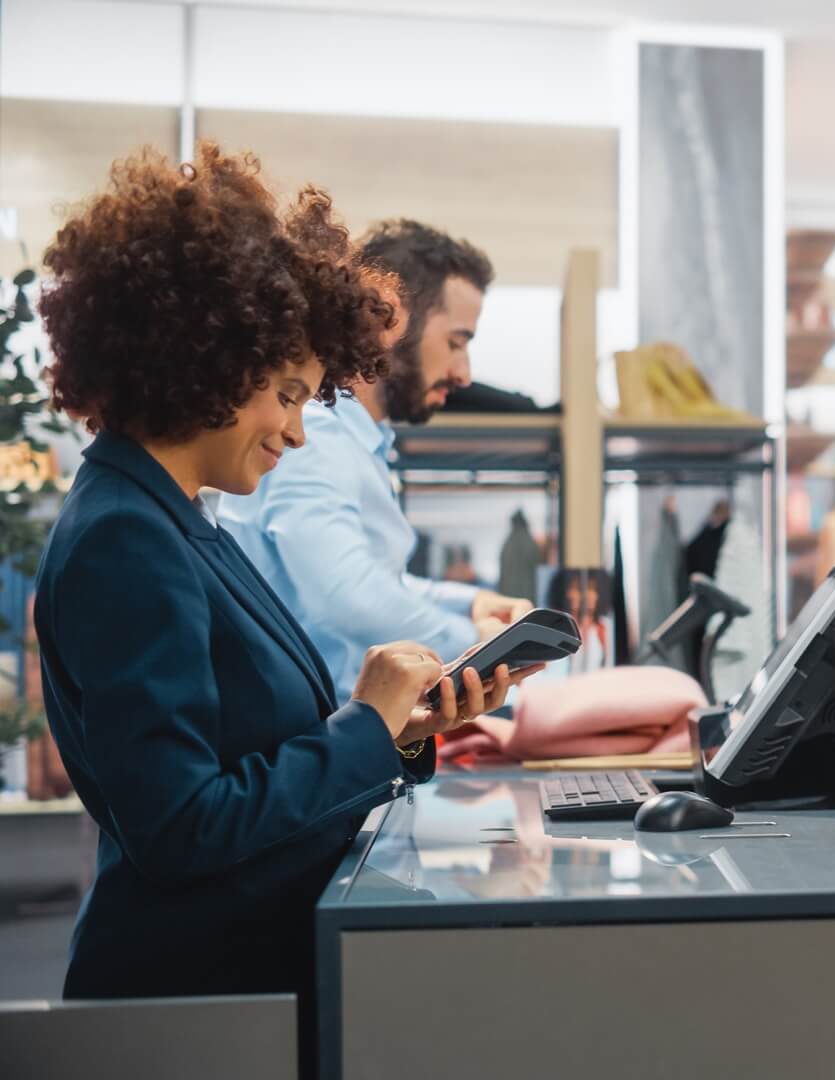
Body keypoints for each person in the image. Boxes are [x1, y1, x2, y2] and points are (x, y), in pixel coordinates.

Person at [32, 144, 536, 1005]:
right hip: (191, 1004)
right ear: (216, 364)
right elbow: (184, 828)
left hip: (236, 979)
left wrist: (398, 731)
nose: (300, 433)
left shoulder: (174, 518)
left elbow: (248, 762)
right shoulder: (127, 539)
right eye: (291, 394)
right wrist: (364, 726)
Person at [221, 219, 533, 704]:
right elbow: (342, 593)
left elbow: (376, 581)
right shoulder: (320, 432)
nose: (464, 373)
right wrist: (479, 650)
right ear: (392, 318)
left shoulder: (357, 439)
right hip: (308, 741)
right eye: (455, 342)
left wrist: (471, 602)